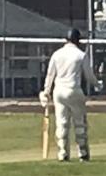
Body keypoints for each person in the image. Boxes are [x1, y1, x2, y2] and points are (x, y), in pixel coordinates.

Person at [42, 28, 99, 162]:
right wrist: (98, 85)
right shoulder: (80, 55)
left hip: (59, 91)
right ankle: (83, 153)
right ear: (78, 40)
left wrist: (46, 91)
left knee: (62, 123)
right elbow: (89, 76)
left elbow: (50, 75)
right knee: (79, 123)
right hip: (74, 90)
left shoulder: (57, 54)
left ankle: (63, 153)